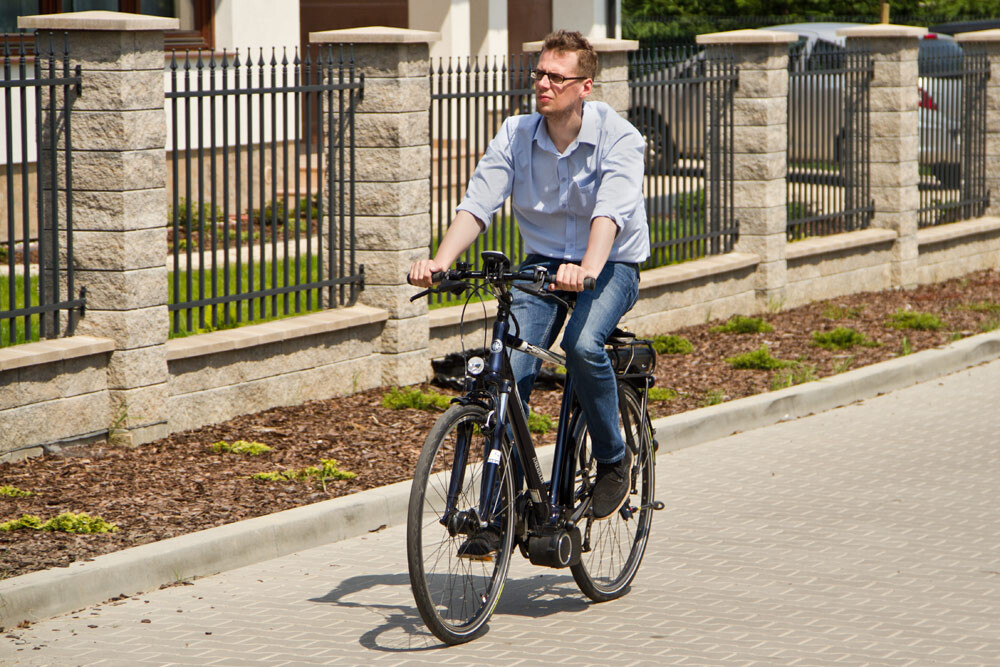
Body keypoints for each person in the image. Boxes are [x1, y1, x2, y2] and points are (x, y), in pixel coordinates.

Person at [410, 30, 649, 555]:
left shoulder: (621, 137)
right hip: (542, 264)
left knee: (583, 347)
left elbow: (611, 211)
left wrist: (586, 268)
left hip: (609, 263)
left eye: (555, 77)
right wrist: (440, 262)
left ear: (584, 86)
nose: (542, 83)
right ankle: (496, 514)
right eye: (539, 73)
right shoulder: (517, 134)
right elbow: (478, 203)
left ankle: (613, 458)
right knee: (505, 374)